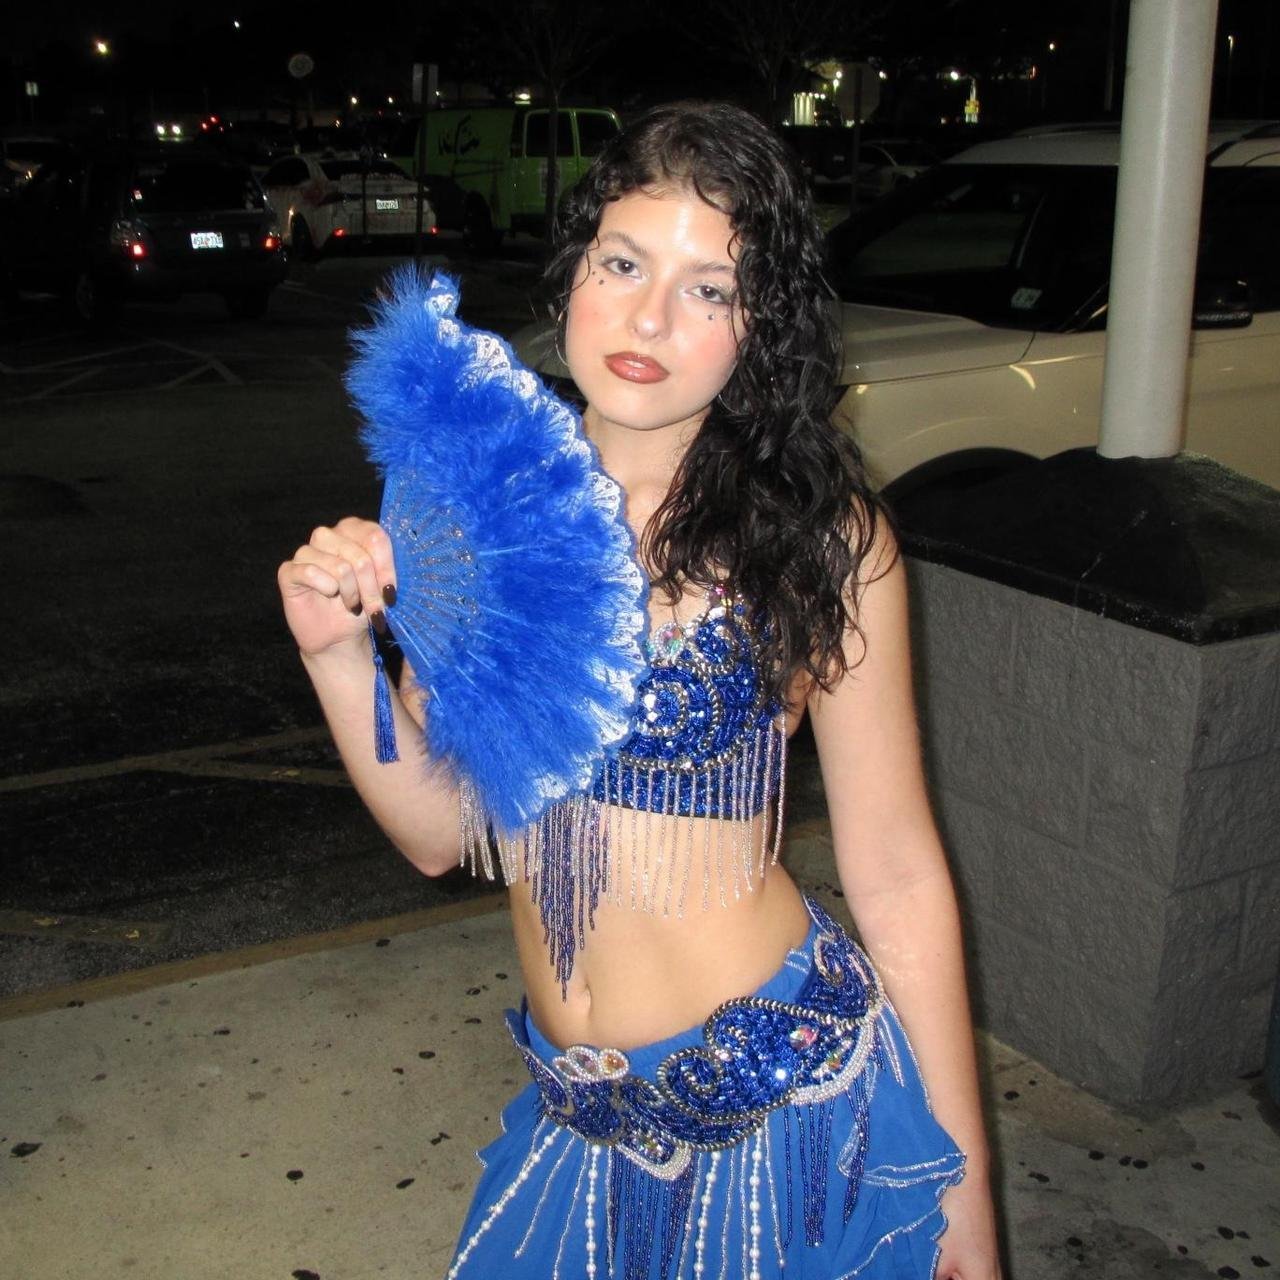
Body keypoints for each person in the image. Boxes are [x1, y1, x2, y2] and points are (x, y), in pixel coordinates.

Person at [277, 101, 1002, 1280]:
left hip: (784, 1112)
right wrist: (335, 656)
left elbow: (896, 868)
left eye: (708, 288)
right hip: (580, 1119)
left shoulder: (820, 541)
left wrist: (960, 1187)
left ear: (757, 327)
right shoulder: (471, 516)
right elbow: (438, 833)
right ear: (572, 271)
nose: (648, 317)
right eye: (622, 263)